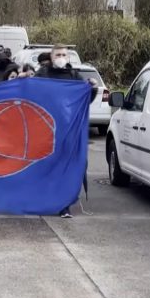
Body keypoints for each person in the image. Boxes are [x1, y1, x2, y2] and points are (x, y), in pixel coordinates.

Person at [35, 44, 94, 219]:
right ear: (51, 57)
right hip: (47, 130)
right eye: (58, 55)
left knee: (66, 168)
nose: (61, 58)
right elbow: (31, 93)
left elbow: (85, 99)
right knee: (47, 167)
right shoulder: (43, 74)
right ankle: (45, 200)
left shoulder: (74, 76)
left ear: (68, 58)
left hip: (68, 130)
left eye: (63, 55)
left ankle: (64, 205)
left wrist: (92, 89)